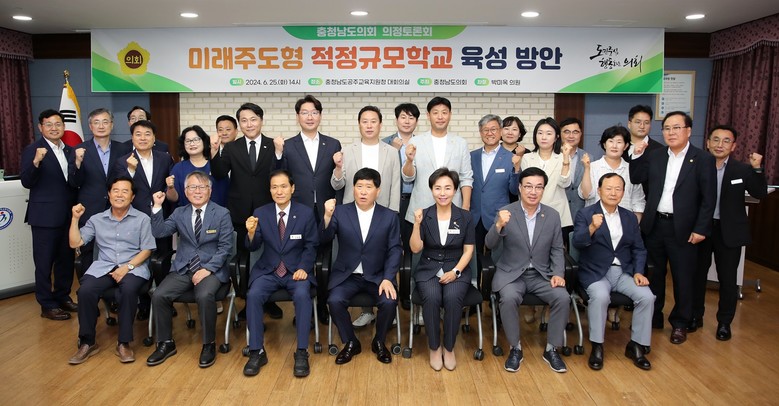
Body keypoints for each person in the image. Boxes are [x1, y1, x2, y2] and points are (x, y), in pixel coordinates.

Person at [629, 111, 716, 344]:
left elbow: (709, 199)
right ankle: (654, 317)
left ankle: (680, 323)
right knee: (654, 274)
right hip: (655, 225)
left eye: (676, 128)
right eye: (667, 128)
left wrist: (701, 228)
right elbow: (636, 177)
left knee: (683, 276)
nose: (671, 132)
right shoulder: (655, 155)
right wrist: (636, 155)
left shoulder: (702, 159)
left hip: (685, 229)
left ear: (688, 131)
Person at [484, 167, 570, 374]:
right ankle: (515, 348)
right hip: (512, 274)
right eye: (528, 186)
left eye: (538, 187)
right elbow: (489, 244)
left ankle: (551, 349)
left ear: (543, 190)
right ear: (520, 188)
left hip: (541, 274)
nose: (533, 191)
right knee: (508, 298)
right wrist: (498, 225)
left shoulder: (552, 215)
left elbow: (557, 249)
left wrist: (558, 274)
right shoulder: (506, 212)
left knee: (563, 297)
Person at [145, 171, 234, 368]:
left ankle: (208, 344)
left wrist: (208, 269)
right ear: (185, 191)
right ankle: (166, 343)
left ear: (210, 190)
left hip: (211, 269)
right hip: (184, 267)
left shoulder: (221, 213)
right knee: (159, 295)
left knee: (204, 295)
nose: (197, 191)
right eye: (193, 187)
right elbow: (159, 232)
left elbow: (225, 248)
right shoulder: (179, 213)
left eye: (202, 187)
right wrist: (157, 207)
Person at [67, 176, 155, 364]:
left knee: (128, 289)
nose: (120, 195)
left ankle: (123, 343)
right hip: (104, 267)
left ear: (132, 197)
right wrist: (75, 219)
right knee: (85, 291)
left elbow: (147, 249)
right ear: (109, 194)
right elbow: (75, 242)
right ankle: (87, 342)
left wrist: (127, 267)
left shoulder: (142, 219)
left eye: (125, 191)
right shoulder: (96, 219)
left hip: (133, 267)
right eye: (116, 190)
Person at [572, 173, 654, 371]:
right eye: (608, 188)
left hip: (624, 272)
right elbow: (578, 242)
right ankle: (597, 346)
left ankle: (636, 345)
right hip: (595, 272)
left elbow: (639, 248)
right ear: (599, 191)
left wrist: (639, 272)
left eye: (618, 189)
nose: (613, 193)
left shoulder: (629, 217)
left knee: (647, 297)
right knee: (600, 297)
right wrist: (592, 227)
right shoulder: (586, 214)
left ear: (623, 193)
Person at [321, 168, 402, 364]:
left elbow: (395, 250)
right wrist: (327, 217)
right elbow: (323, 239)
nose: (363, 192)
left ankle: (379, 341)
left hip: (378, 276)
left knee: (389, 301)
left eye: (368, 187)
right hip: (347, 276)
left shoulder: (389, 216)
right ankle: (351, 342)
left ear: (378, 191)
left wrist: (388, 278)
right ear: (353, 189)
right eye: (359, 186)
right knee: (334, 300)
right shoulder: (340, 212)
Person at [692, 125, 767, 341]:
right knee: (697, 276)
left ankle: (724, 322)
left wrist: (757, 169)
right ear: (707, 143)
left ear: (733, 146)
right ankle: (695, 316)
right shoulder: (696, 166)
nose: (720, 145)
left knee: (728, 279)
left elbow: (759, 193)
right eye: (715, 139)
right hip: (702, 229)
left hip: (729, 232)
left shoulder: (742, 170)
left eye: (726, 141)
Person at [210, 103, 283, 319]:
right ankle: (247, 299)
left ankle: (269, 300)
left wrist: (279, 154)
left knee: (269, 255)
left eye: (253, 119)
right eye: (244, 120)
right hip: (239, 211)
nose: (249, 124)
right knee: (243, 259)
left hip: (267, 211)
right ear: (240, 125)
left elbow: (280, 175)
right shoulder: (232, 147)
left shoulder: (273, 145)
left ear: (261, 121)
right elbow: (220, 174)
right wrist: (214, 151)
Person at [243, 170, 319, 377]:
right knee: (253, 295)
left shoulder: (305, 213)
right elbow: (253, 246)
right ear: (269, 190)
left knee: (302, 295)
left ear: (292, 188)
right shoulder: (261, 212)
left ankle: (301, 351)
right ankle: (256, 351)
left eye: (284, 186)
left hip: (296, 271)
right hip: (268, 270)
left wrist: (304, 267)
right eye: (274, 187)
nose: (279, 191)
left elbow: (311, 245)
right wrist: (251, 233)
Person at [333, 106, 401, 326]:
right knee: (357, 258)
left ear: (380, 124)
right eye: (365, 121)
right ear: (359, 124)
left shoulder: (391, 152)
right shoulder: (347, 150)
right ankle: (366, 311)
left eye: (373, 121)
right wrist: (337, 168)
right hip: (353, 216)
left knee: (380, 259)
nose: (369, 125)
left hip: (382, 216)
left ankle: (386, 305)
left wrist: (392, 215)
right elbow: (338, 184)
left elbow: (395, 185)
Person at [276, 94, 342, 324]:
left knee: (325, 261)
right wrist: (278, 154)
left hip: (326, 209)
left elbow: (338, 178)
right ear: (297, 117)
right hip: (298, 210)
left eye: (314, 112)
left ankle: (322, 306)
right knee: (300, 257)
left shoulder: (333, 144)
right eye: (304, 113)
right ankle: (303, 308)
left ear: (320, 116)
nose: (310, 117)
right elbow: (280, 177)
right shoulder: (288, 145)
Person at [410, 168, 475, 371]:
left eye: (447, 188)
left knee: (452, 297)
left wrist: (455, 272)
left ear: (455, 190)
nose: (442, 193)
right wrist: (416, 225)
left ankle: (449, 347)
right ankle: (434, 347)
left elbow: (468, 251)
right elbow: (415, 249)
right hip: (428, 268)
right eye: (437, 188)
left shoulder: (465, 217)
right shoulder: (425, 215)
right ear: (431, 190)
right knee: (431, 297)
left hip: (457, 268)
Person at [21, 109, 78, 320]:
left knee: (66, 260)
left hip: (67, 216)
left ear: (64, 126)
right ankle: (46, 304)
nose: (54, 128)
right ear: (40, 127)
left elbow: (73, 183)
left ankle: (62, 296)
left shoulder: (70, 150)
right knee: (44, 263)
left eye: (58, 124)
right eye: (49, 124)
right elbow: (26, 181)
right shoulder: (33, 149)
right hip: (44, 217)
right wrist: (36, 162)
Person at [69, 108, 131, 273]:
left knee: (119, 252)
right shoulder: (79, 149)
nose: (101, 126)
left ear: (112, 125)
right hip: (90, 210)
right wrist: (77, 163)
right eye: (96, 122)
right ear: (90, 126)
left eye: (105, 122)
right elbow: (74, 182)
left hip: (117, 209)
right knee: (88, 255)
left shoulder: (123, 149)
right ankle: (88, 287)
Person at [403, 96, 474, 226]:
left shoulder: (460, 143)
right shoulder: (416, 142)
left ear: (450, 115)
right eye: (435, 113)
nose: (440, 117)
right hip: (422, 209)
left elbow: (466, 178)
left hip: (453, 209)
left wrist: (465, 207)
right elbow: (408, 177)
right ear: (428, 116)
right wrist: (409, 161)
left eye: (444, 112)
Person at [382, 102, 420, 312]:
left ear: (416, 121)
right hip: (391, 201)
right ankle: (390, 290)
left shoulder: (422, 143)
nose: (407, 121)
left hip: (415, 200)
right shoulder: (385, 143)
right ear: (396, 120)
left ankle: (408, 293)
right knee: (391, 247)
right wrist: (393, 151)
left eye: (411, 117)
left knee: (412, 248)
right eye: (403, 117)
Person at [470, 114, 519, 270]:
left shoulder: (511, 158)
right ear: (480, 132)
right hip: (476, 216)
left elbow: (514, 190)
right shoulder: (471, 156)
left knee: (499, 259)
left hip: (499, 216)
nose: (489, 133)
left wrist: (517, 169)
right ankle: (478, 284)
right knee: (476, 258)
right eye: (485, 130)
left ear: (500, 131)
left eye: (493, 129)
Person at [579, 125, 645, 218]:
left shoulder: (632, 169)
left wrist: (635, 224)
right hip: (596, 220)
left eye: (619, 142)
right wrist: (587, 169)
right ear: (604, 144)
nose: (614, 146)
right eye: (611, 141)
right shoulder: (593, 167)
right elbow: (586, 195)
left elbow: (638, 202)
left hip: (624, 221)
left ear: (625, 146)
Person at [520, 117, 573, 229]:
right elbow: (525, 187)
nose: (543, 137)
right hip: (531, 213)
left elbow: (564, 183)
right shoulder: (527, 158)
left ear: (556, 137)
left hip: (557, 212)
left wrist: (566, 159)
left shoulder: (563, 158)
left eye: (549, 133)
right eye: (540, 133)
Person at [168, 125, 228, 208]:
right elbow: (173, 199)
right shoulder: (178, 168)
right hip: (188, 214)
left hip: (216, 213)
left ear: (204, 141)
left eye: (196, 140)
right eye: (188, 141)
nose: (192, 144)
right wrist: (170, 188)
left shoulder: (216, 165)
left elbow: (226, 191)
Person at [623, 105, 663, 196]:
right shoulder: (620, 146)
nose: (642, 126)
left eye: (646, 123)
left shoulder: (659, 150)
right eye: (638, 122)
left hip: (647, 200)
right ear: (629, 124)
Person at [559, 117, 587, 226]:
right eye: (567, 132)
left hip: (580, 213)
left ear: (580, 134)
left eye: (575, 132)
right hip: (558, 212)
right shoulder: (553, 156)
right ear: (560, 134)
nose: (571, 136)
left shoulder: (589, 157)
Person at [501, 116, 528, 203]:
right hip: (497, 200)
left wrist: (520, 157)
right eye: (506, 128)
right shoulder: (493, 152)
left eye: (514, 129)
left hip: (519, 201)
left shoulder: (527, 154)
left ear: (520, 134)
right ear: (500, 131)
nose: (510, 132)